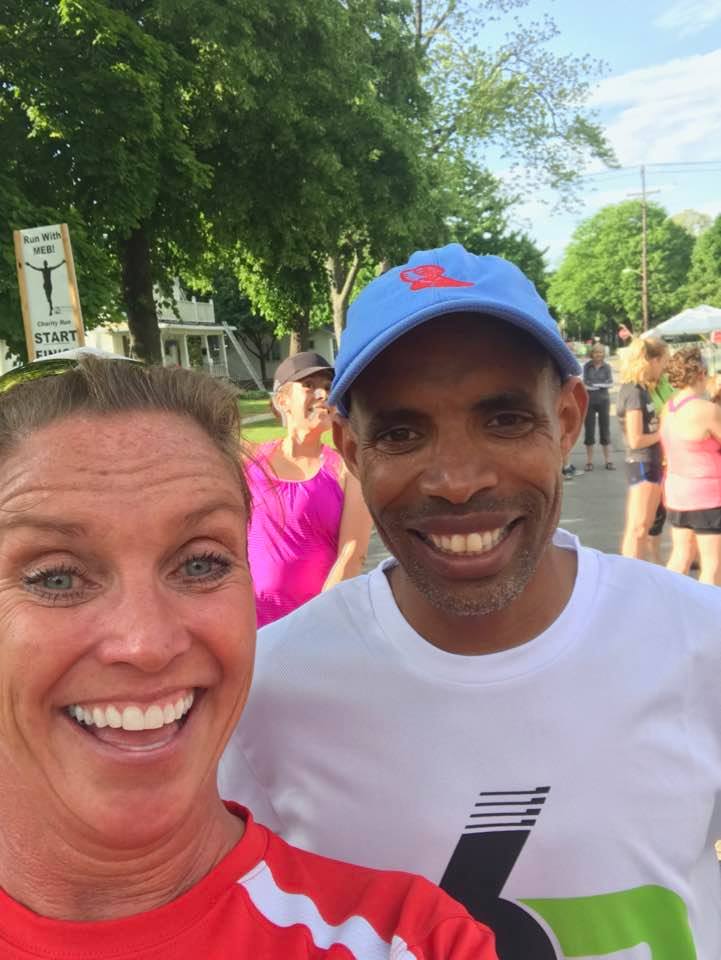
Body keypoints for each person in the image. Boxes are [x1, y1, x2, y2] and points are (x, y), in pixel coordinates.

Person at [220, 244, 721, 960]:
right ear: (352, 452)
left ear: (568, 420)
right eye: (400, 431)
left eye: (505, 420)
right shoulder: (265, 690)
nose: (456, 479)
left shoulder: (701, 644)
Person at [0, 351, 495, 960]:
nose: (146, 644)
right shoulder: (263, 467)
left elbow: (350, 551)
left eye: (201, 562)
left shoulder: (405, 943)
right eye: (55, 577)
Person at [246, 351, 372, 626]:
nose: (321, 394)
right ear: (283, 400)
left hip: (318, 625)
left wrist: (318, 622)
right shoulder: (250, 464)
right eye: (309, 385)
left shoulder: (347, 469)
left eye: (328, 387)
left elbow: (352, 552)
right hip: (251, 626)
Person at [661, 346, 721, 585]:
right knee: (712, 565)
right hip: (707, 495)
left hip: (678, 493)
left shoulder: (670, 407)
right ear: (701, 373)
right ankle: (709, 618)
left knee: (681, 556)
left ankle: (666, 605)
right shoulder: (707, 410)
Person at [616, 337, 669, 559]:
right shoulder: (634, 391)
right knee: (638, 528)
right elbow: (636, 439)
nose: (665, 367)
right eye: (664, 362)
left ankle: (636, 572)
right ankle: (630, 574)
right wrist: (665, 433)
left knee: (644, 526)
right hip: (642, 461)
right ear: (652, 361)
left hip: (650, 461)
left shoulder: (642, 389)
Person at [581, 343, 614, 470]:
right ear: (592, 354)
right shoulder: (587, 366)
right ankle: (589, 461)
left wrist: (594, 385)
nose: (598, 355)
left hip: (603, 401)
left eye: (600, 352)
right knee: (589, 430)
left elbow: (609, 383)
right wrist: (599, 384)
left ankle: (608, 460)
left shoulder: (607, 367)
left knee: (605, 429)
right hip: (589, 401)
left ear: (603, 354)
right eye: (596, 352)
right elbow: (586, 383)